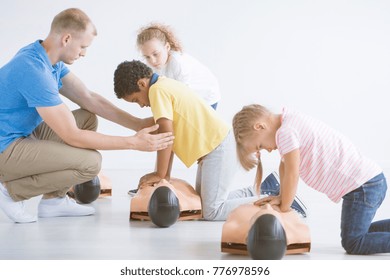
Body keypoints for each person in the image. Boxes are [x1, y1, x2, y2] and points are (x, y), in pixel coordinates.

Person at [0, 8, 174, 224]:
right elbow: (72, 135)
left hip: (23, 134)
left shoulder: (47, 60)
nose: (84, 53)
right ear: (66, 39)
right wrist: (133, 143)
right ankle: (10, 191)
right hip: (5, 149)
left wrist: (137, 124)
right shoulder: (33, 71)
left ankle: (53, 201)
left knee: (87, 117)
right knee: (90, 163)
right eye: (82, 47)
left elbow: (88, 98)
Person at [113, 60, 306, 221]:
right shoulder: (164, 85)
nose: (140, 105)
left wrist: (160, 174)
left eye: (135, 100)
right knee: (204, 203)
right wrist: (164, 175)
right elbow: (166, 136)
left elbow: (166, 136)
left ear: (141, 84)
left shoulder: (157, 92)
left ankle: (278, 200)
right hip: (216, 147)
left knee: (212, 211)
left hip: (217, 147)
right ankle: (266, 189)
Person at [232, 104, 389, 255]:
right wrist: (281, 196)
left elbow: (293, 173)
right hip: (367, 182)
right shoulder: (289, 122)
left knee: (353, 242)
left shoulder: (286, 133)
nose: (266, 149)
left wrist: (285, 207)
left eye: (259, 146)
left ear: (259, 127)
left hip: (362, 186)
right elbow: (285, 166)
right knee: (359, 232)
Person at [136, 23, 221, 110]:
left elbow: (183, 94)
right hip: (186, 96)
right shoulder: (154, 65)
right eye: (147, 57)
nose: (152, 61)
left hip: (206, 96)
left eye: (156, 54)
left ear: (167, 47)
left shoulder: (178, 63)